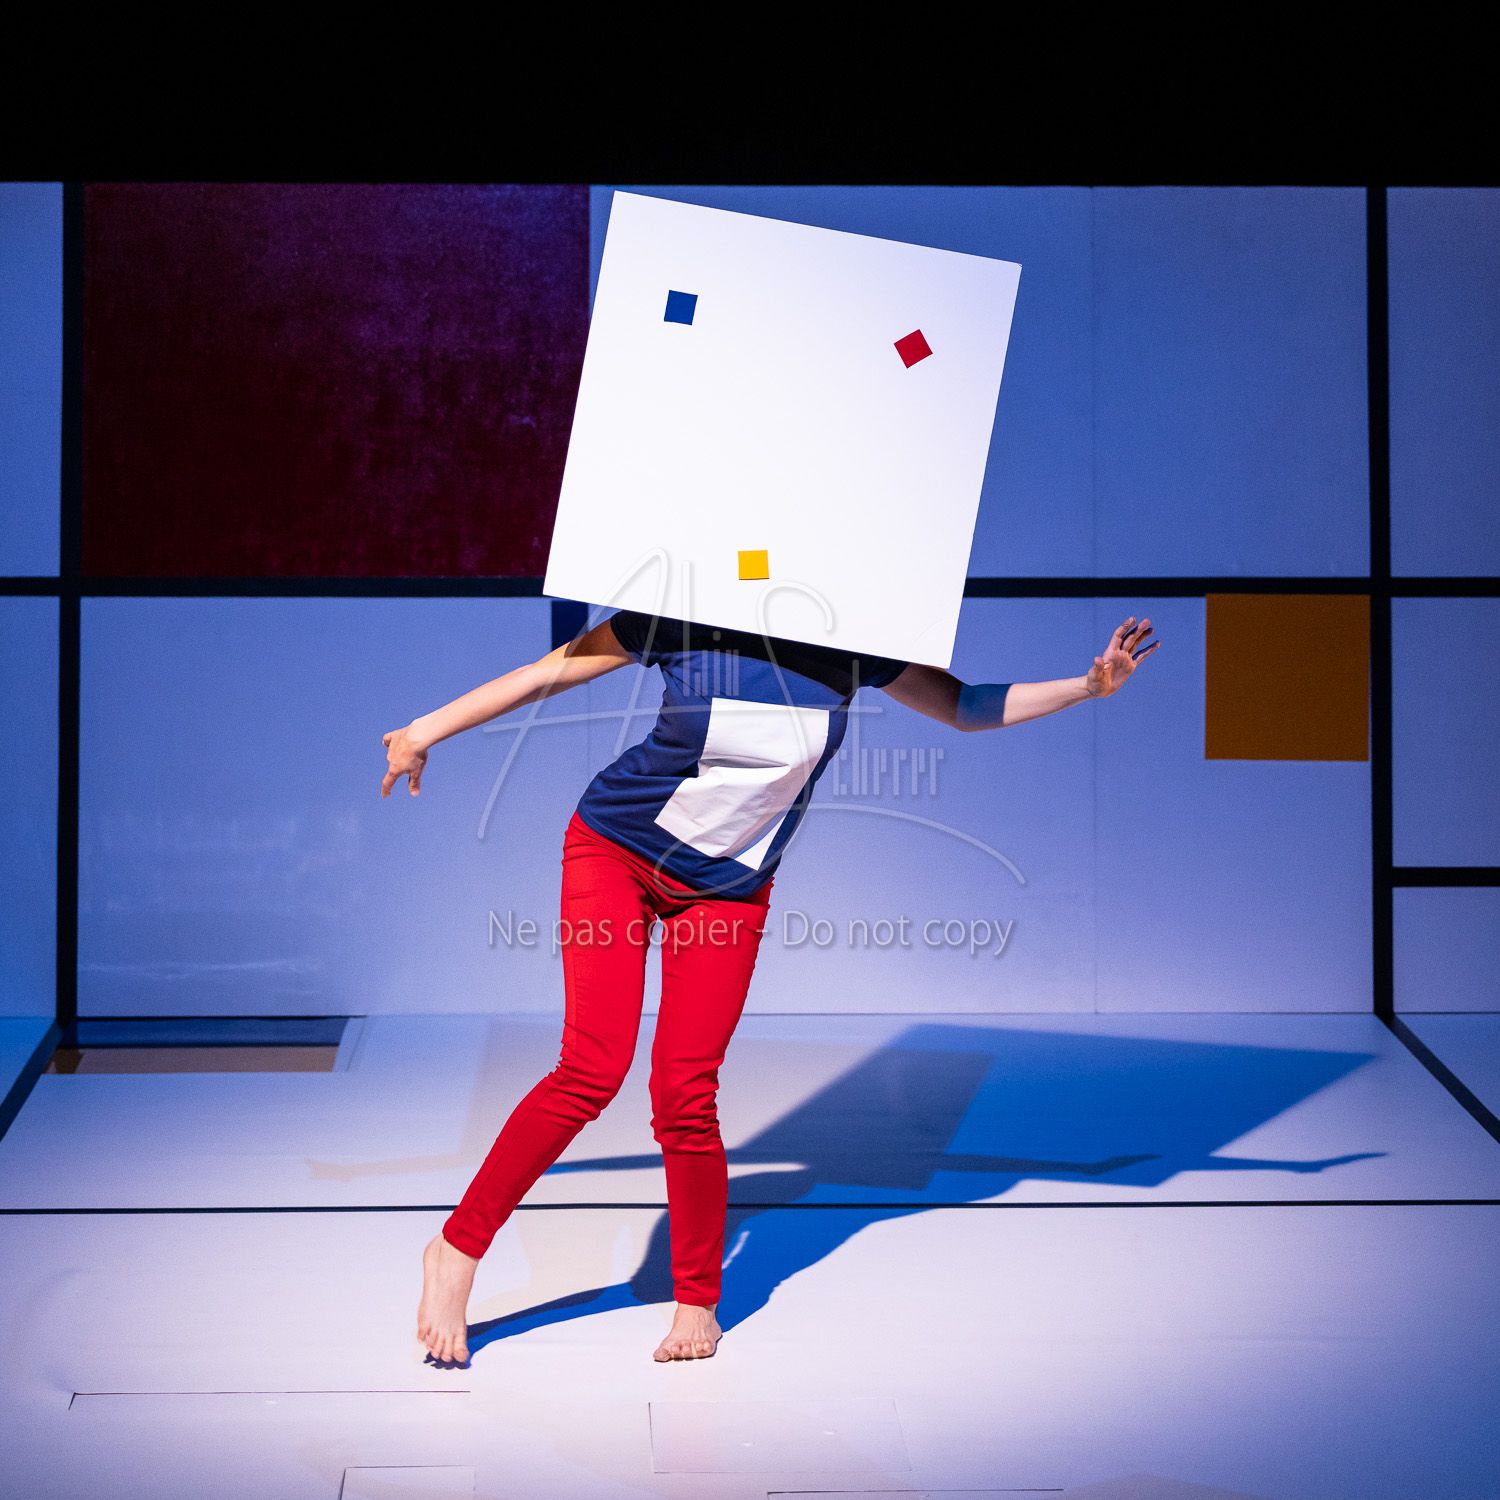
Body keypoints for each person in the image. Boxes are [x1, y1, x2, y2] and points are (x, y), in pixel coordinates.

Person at [384, 607, 1159, 1365]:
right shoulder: (680, 614)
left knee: (685, 1091)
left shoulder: (857, 639)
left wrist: (1088, 686)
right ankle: (456, 1249)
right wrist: (422, 732)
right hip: (616, 851)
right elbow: (543, 674)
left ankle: (696, 1297)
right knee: (592, 1067)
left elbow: (963, 706)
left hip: (727, 890)